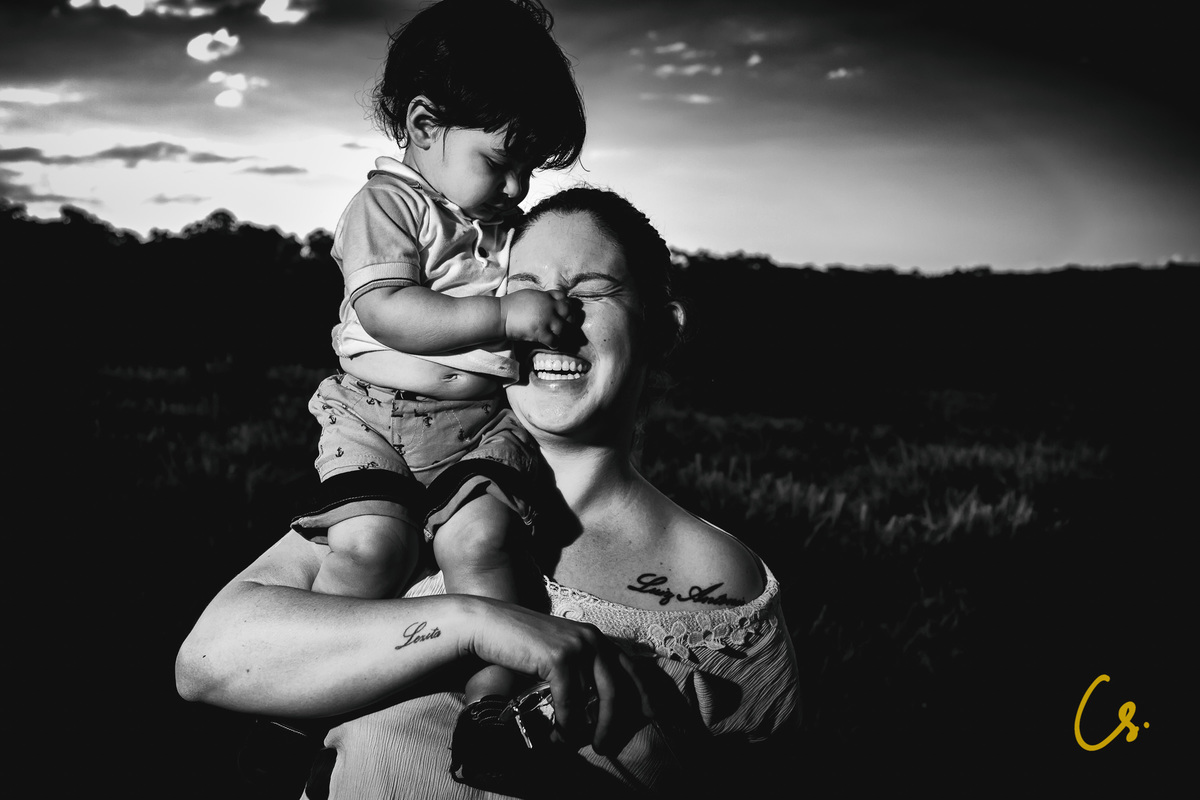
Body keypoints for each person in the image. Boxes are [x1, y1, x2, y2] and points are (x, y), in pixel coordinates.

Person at [176, 187, 802, 798]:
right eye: (525, 291)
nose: (554, 322)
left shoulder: (721, 592)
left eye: (590, 292)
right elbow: (207, 664)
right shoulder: (402, 501)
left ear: (663, 326)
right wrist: (470, 623)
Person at [292, 0, 586, 780]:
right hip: (374, 418)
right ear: (425, 125)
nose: (518, 184)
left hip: (479, 421)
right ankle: (307, 700)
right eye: (503, 159)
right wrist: (503, 314)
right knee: (368, 550)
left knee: (481, 543)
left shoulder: (503, 221)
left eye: (530, 168)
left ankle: (492, 714)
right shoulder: (388, 205)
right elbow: (388, 311)